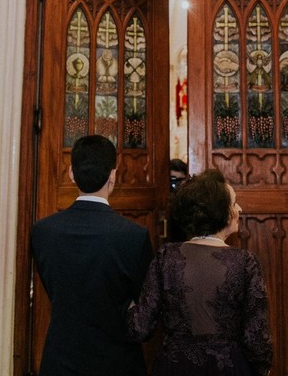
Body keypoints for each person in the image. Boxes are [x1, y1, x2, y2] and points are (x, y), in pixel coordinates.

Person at [127, 169, 273, 376]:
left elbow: (140, 327)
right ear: (220, 211)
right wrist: (262, 368)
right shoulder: (245, 263)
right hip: (228, 368)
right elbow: (257, 336)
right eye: (234, 203)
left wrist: (126, 304)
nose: (239, 209)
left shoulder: (165, 257)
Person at [31, 134, 154, 376]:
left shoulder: (43, 232)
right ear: (113, 176)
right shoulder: (134, 236)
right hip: (118, 362)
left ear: (71, 174)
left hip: (61, 360)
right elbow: (145, 301)